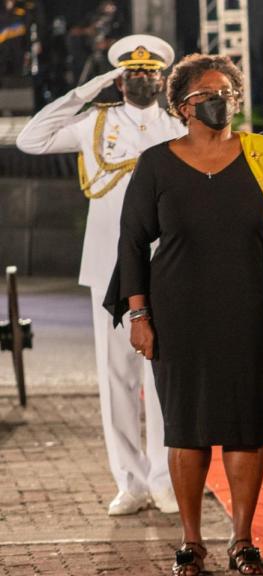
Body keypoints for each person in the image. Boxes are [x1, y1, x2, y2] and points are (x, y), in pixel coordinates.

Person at [104, 53, 263, 576]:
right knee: (185, 429)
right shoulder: (157, 162)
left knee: (246, 429)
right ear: (182, 106)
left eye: (227, 91)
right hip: (178, 315)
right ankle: (191, 541)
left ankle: (243, 540)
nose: (220, 100)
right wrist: (139, 314)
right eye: (208, 93)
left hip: (253, 311)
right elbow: (133, 242)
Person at [15, 34, 185, 516]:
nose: (141, 79)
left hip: (163, 266)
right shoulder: (95, 123)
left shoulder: (176, 127)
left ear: (162, 78)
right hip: (108, 267)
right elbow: (32, 138)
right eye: (131, 73)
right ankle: (129, 481)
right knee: (116, 376)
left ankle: (162, 477)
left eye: (150, 72)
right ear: (119, 79)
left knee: (161, 378)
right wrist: (84, 92)